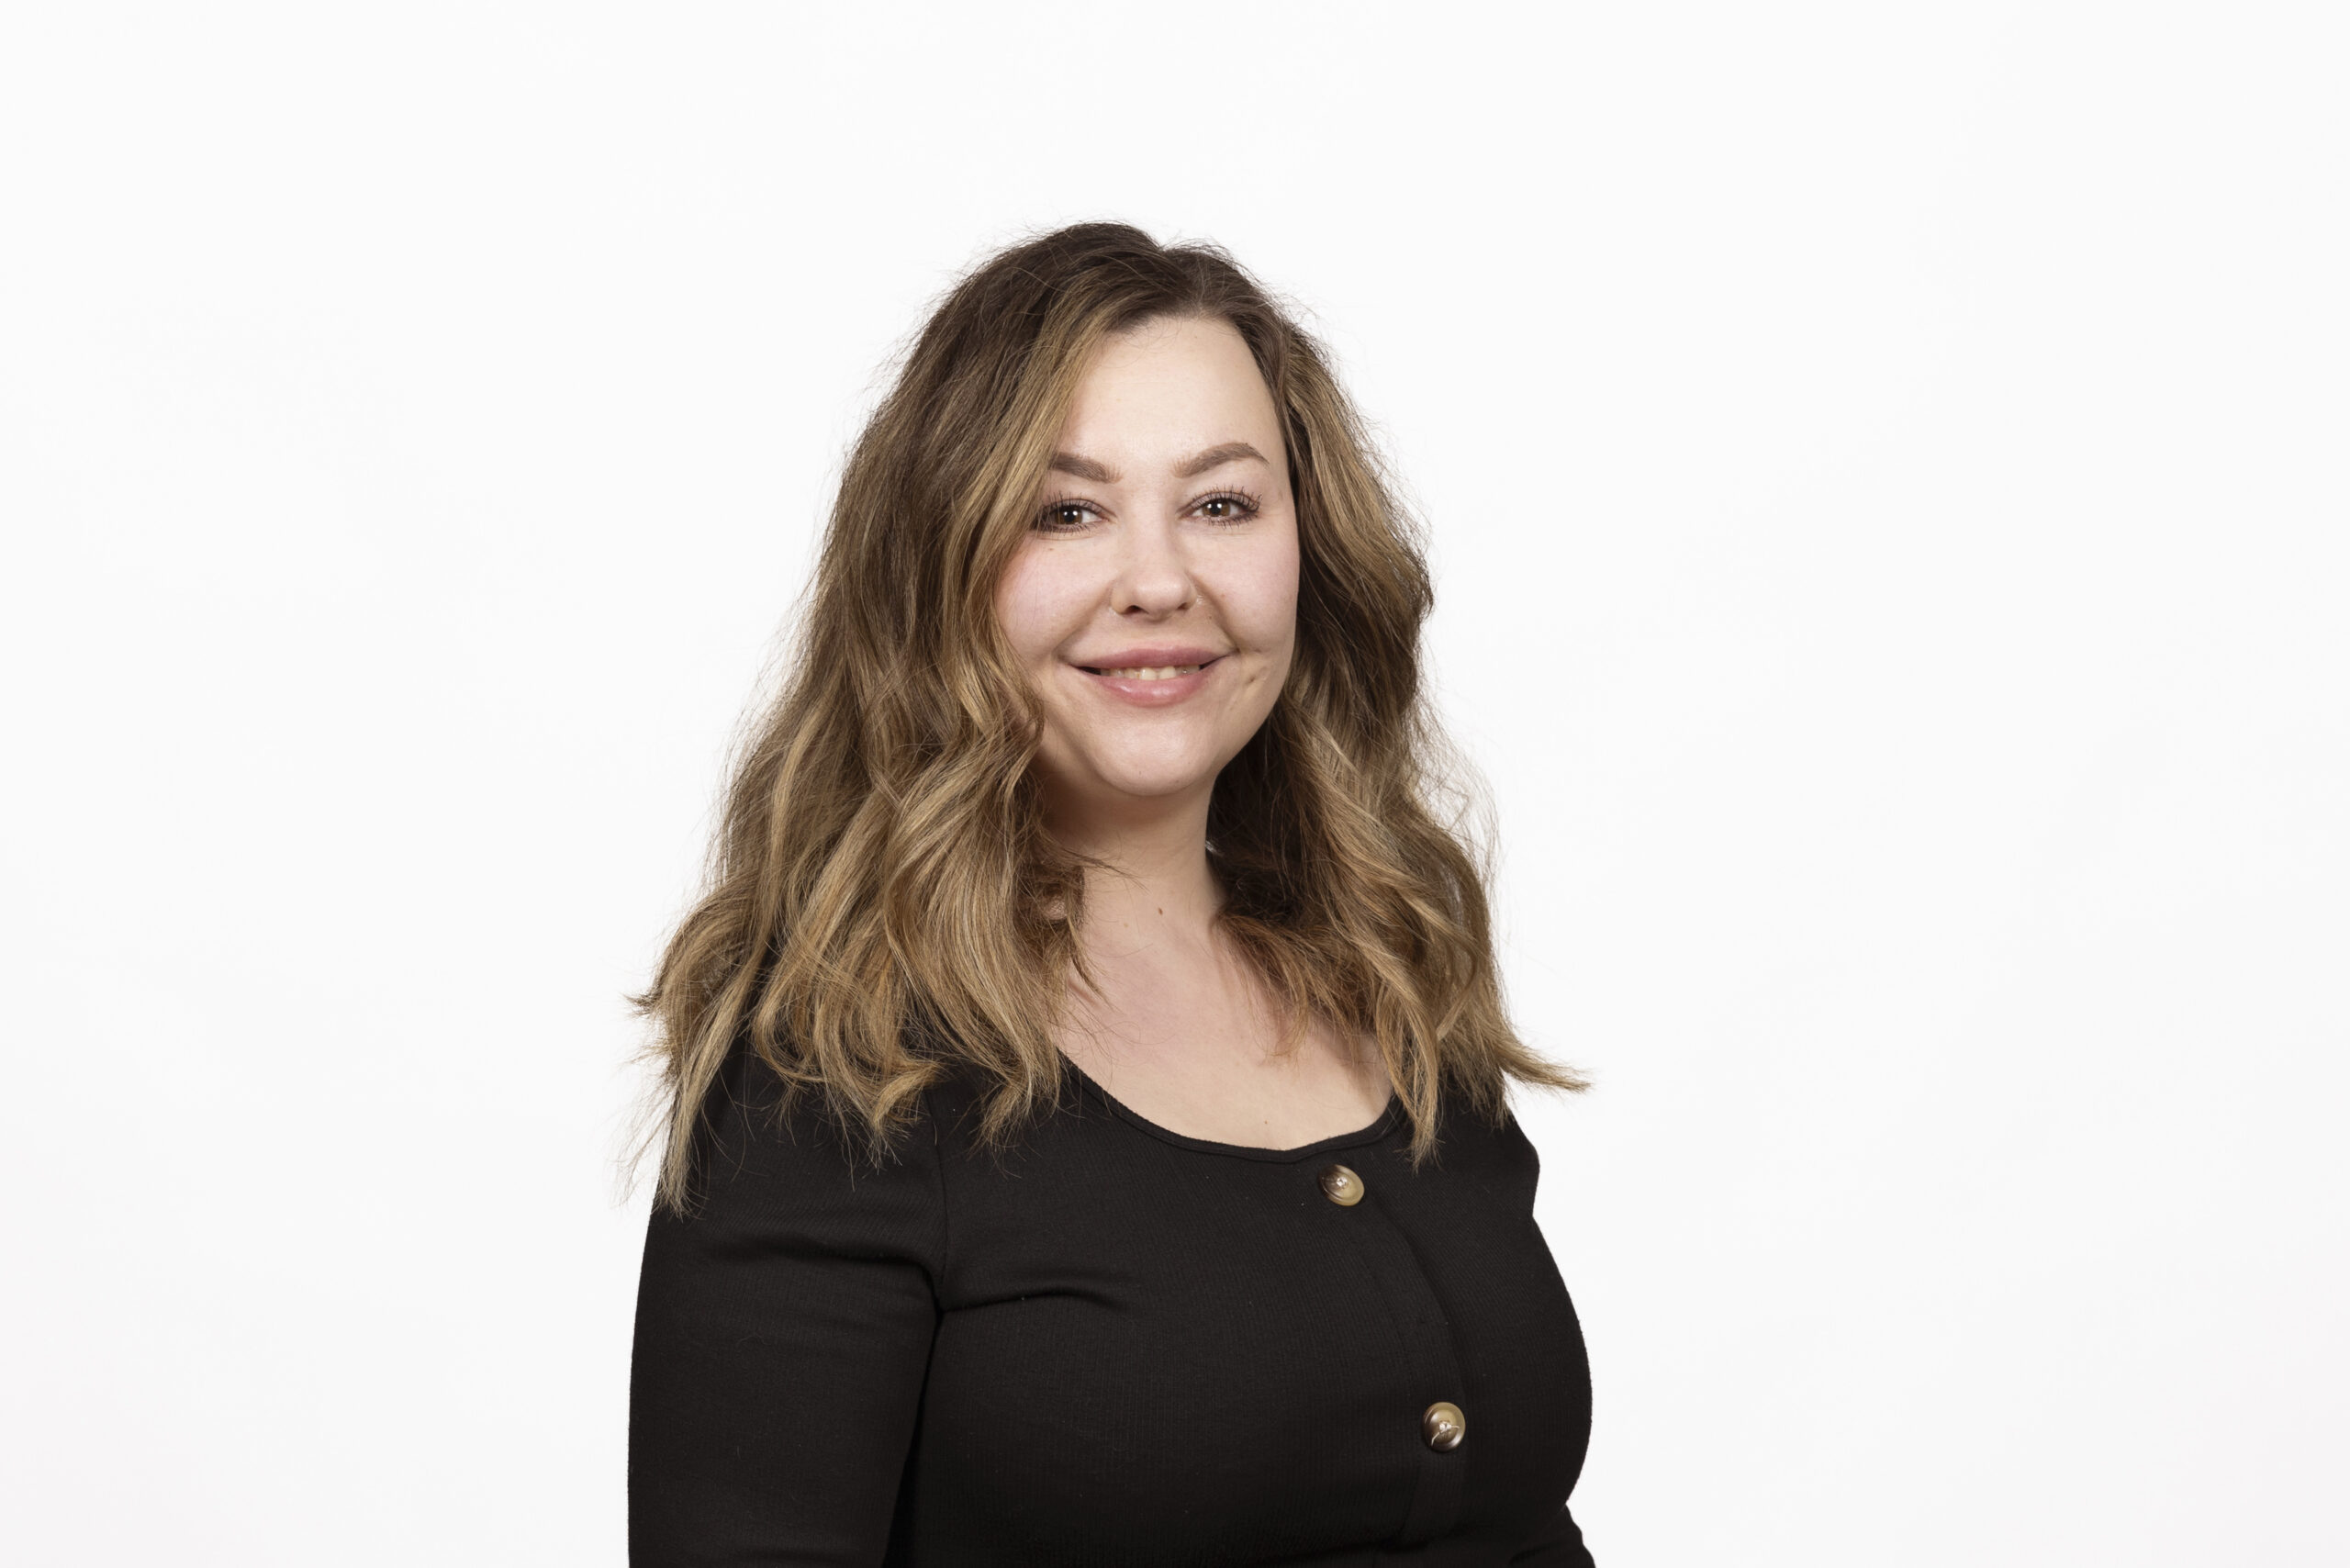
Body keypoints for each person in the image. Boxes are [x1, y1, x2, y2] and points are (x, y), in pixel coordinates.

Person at [627, 222, 1598, 1565]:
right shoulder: (838, 1076)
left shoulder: (1389, 971)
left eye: (1223, 505)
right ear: (941, 566)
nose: (1159, 582)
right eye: (1067, 511)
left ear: (1311, 549)